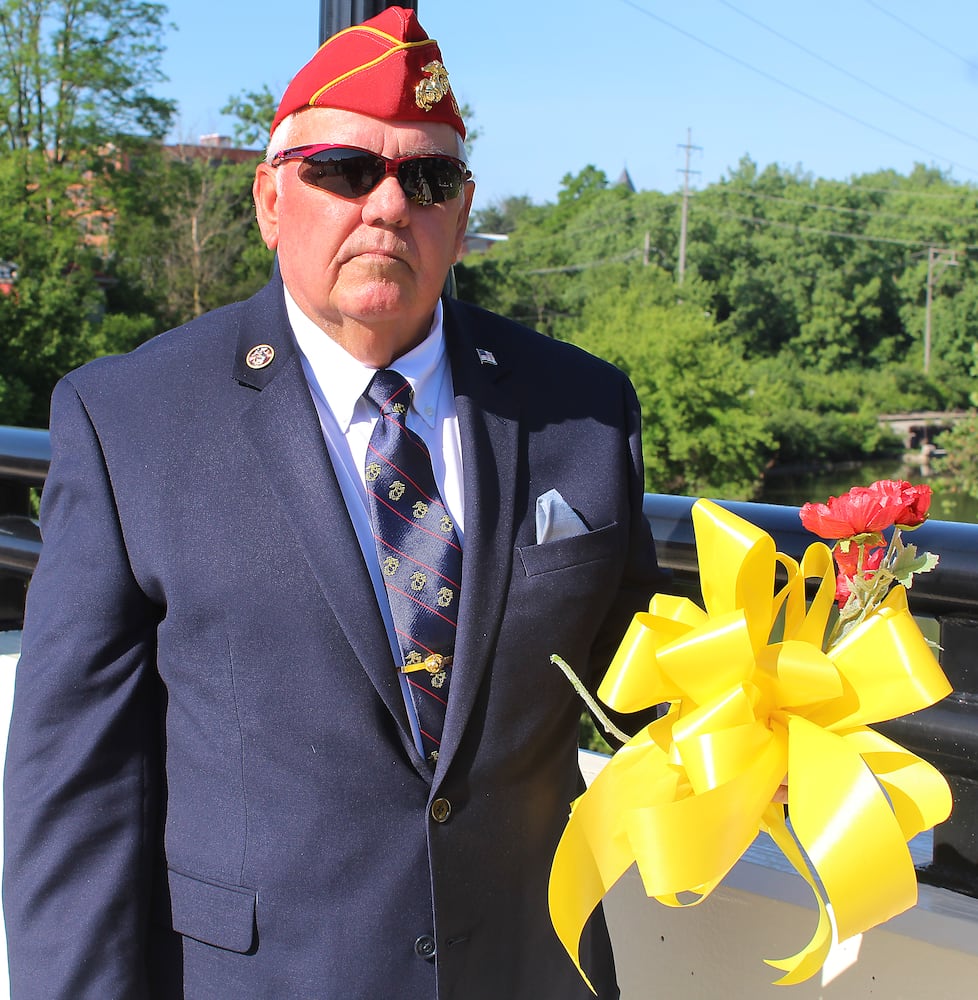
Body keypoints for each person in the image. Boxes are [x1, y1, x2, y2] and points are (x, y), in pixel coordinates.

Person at [2, 7, 664, 999]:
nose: (388, 206)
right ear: (271, 199)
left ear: (462, 208)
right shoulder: (131, 421)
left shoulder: (584, 412)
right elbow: (77, 794)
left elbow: (647, 685)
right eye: (346, 171)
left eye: (427, 178)